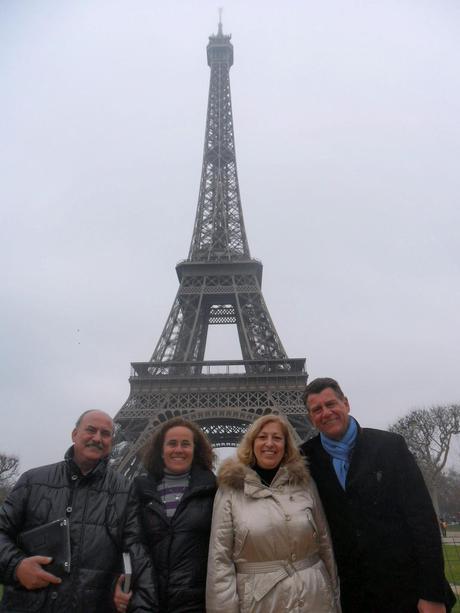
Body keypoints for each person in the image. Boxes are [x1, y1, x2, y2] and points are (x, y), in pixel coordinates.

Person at [301, 377, 456, 613]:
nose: (326, 412)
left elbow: (423, 522)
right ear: (311, 417)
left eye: (331, 404)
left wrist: (432, 593)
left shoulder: (390, 446)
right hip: (353, 596)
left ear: (346, 403)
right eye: (317, 409)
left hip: (405, 590)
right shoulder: (304, 459)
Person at [0, 409, 157, 613]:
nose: (98, 438)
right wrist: (17, 567)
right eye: (90, 430)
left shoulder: (125, 492)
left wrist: (130, 594)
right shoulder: (32, 481)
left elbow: (135, 553)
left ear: (112, 440)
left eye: (105, 433)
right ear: (75, 434)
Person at [206, 414, 340, 613]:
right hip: (261, 603)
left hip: (314, 597)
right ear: (251, 443)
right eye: (262, 437)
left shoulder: (305, 484)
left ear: (286, 446)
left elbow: (324, 543)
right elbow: (220, 561)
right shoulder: (230, 491)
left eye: (277, 438)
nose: (269, 443)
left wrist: (334, 597)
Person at [114, 417, 216, 613]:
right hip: (147, 602)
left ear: (195, 451)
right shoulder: (139, 491)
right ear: (161, 451)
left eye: (186, 444)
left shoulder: (214, 490)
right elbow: (124, 541)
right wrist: (115, 584)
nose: (178, 449)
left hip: (196, 603)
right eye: (172, 443)